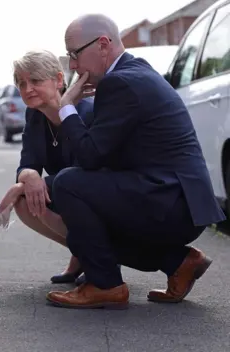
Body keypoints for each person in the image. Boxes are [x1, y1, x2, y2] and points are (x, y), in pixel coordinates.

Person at [43, 14, 226, 310]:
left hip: (171, 202)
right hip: (175, 200)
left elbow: (89, 157)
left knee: (67, 186)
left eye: (74, 54)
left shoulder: (122, 82)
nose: (73, 65)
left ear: (103, 44)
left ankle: (105, 285)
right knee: (59, 194)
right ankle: (179, 262)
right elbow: (101, 154)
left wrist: (66, 108)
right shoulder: (131, 74)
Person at [0, 50, 96, 285]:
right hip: (68, 196)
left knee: (29, 194)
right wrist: (28, 176)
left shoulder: (88, 113)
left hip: (99, 199)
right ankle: (83, 253)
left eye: (36, 80)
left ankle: (98, 255)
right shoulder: (35, 116)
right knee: (24, 203)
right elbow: (27, 162)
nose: (27, 88)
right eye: (22, 83)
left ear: (59, 80)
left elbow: (86, 173)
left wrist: (19, 186)